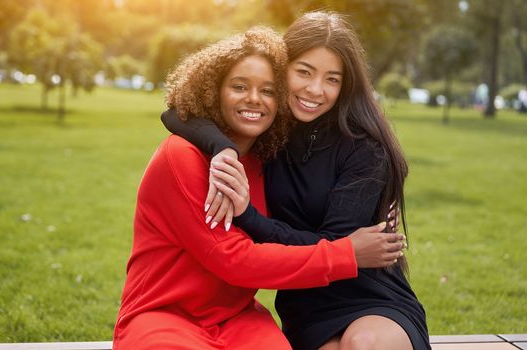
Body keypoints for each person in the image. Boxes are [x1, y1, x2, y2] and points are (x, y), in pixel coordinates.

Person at [114, 27, 406, 350]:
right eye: (239, 86)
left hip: (237, 317)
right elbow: (234, 260)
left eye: (267, 90)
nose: (254, 98)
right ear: (213, 90)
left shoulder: (266, 157)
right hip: (165, 314)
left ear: (279, 97)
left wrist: (377, 198)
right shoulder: (180, 157)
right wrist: (347, 253)